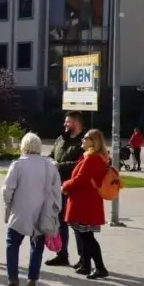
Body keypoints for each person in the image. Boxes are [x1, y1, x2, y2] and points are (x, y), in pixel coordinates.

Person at [0, 133, 62, 286]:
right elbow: (57, 191)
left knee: (12, 245)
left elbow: (7, 189)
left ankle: (13, 278)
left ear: (23, 146)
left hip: (19, 211)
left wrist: (8, 203)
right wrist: (55, 209)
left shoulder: (18, 165)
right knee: (37, 247)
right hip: (42, 212)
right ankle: (32, 279)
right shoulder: (49, 166)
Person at [62, 129, 110, 279]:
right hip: (87, 201)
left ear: (93, 141)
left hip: (85, 202)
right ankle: (86, 265)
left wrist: (65, 186)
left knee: (87, 237)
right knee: (84, 235)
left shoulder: (92, 159)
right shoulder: (94, 157)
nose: (82, 140)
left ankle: (100, 268)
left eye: (85, 138)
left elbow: (80, 179)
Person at [44, 111, 85, 268]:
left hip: (74, 188)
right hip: (58, 187)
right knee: (60, 222)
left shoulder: (84, 141)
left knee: (76, 223)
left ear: (76, 123)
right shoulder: (60, 139)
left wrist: (59, 166)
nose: (65, 125)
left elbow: (81, 164)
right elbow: (52, 155)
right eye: (65, 122)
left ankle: (83, 258)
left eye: (68, 122)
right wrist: (48, 161)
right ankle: (62, 255)